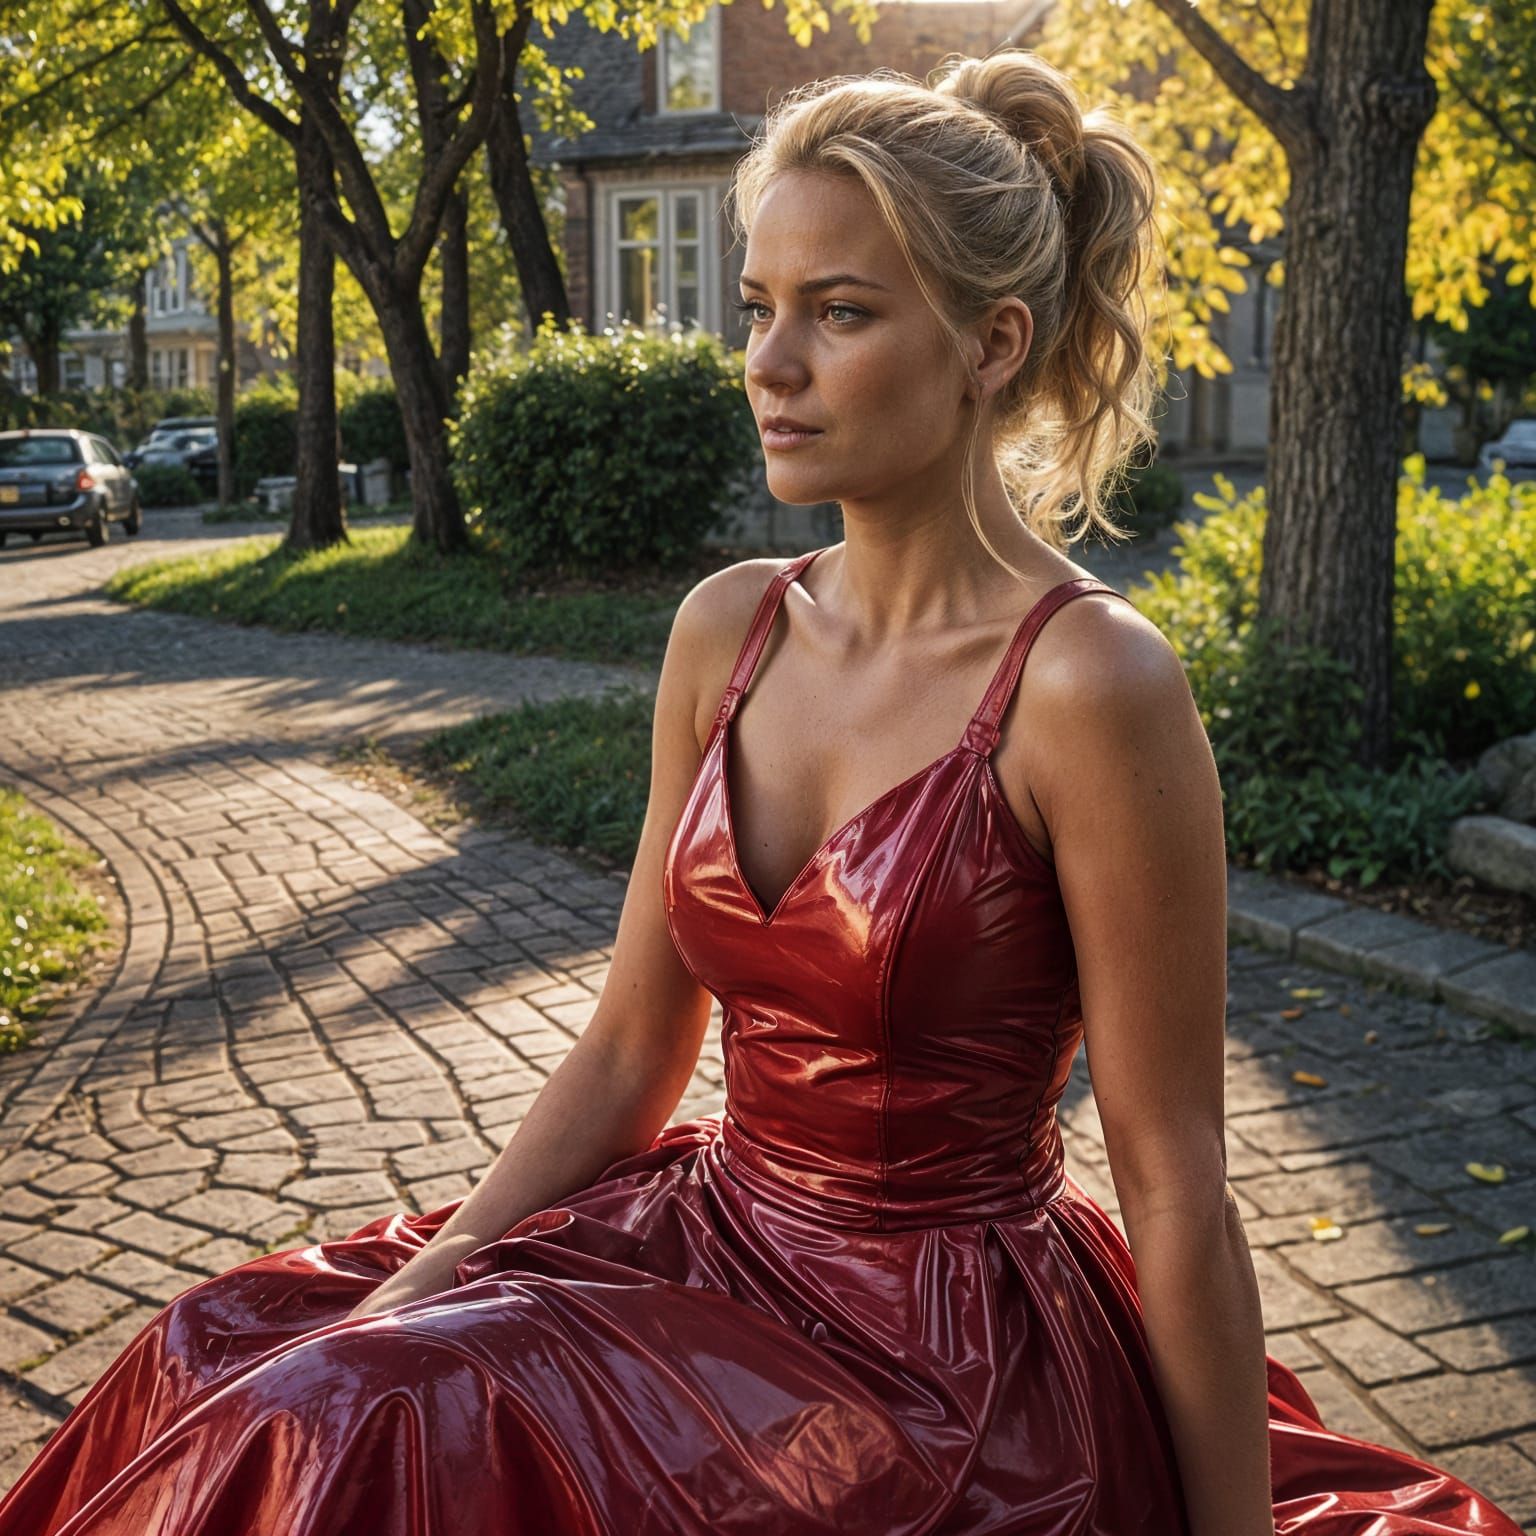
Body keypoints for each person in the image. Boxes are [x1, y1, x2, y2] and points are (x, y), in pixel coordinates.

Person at [0, 46, 1523, 1536]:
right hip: (709, 1249)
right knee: (231, 1352)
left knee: (351, 1417)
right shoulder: (727, 627)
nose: (768, 366)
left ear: (992, 345)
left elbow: (1176, 1176)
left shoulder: (1091, 686)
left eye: (839, 314)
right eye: (759, 310)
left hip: (941, 1363)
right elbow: (626, 1048)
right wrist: (442, 1263)